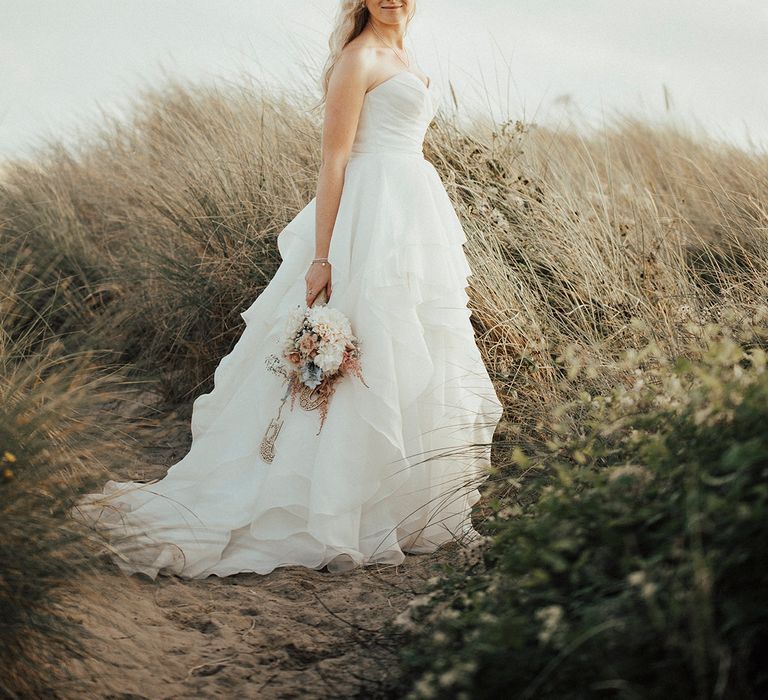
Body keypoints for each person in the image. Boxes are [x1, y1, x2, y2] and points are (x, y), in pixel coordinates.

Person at [72, 0, 504, 579]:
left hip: (409, 216)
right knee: (360, 352)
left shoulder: (404, 55)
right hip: (365, 219)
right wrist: (324, 255)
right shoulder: (359, 58)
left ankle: (398, 508)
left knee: (407, 348)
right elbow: (333, 159)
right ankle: (325, 510)